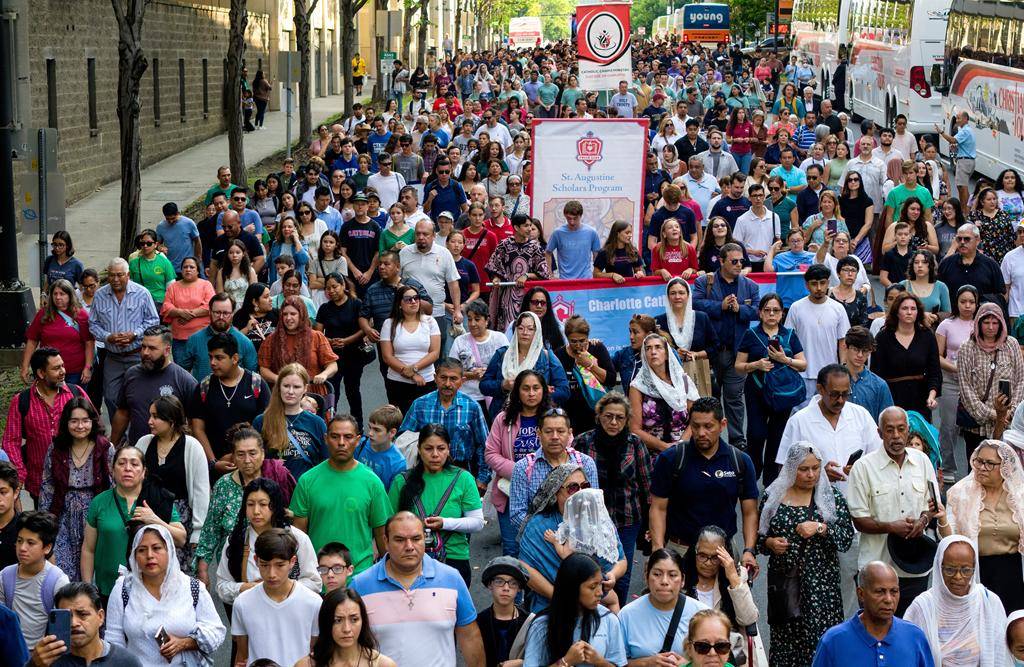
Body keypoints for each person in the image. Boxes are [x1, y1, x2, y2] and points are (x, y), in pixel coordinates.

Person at [756, 442, 855, 666]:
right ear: (791, 469)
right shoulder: (774, 497)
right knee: (786, 646)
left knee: (822, 644)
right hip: (786, 587)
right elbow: (759, 539)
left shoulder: (830, 499)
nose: (811, 475)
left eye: (815, 468)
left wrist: (820, 528)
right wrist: (771, 543)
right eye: (803, 469)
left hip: (822, 589)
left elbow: (846, 538)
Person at [848, 406, 951, 616]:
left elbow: (932, 506)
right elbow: (858, 519)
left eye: (901, 429)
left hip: (915, 566)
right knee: (875, 628)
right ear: (879, 433)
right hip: (876, 565)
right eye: (889, 430)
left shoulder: (922, 461)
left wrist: (923, 520)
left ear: (907, 430)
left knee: (911, 628)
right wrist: (890, 527)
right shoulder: (863, 467)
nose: (896, 436)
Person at [348, 512, 485, 667]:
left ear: (424, 539)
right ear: (385, 541)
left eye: (416, 539)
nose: (409, 547)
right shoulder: (360, 586)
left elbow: (470, 637)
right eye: (400, 540)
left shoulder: (452, 579)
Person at [648, 397, 759, 573]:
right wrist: (658, 549)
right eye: (695, 426)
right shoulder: (671, 459)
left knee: (729, 600)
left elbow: (750, 511)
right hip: (680, 550)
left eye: (708, 426)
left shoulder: (740, 461)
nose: (701, 433)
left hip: (724, 552)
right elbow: (658, 508)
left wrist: (749, 550)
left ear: (722, 425)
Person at [571, 391, 652, 605]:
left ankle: (619, 612)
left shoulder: (635, 444)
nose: (613, 422)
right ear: (599, 416)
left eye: (619, 417)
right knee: (590, 570)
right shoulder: (583, 442)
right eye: (608, 416)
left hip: (626, 518)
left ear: (626, 420)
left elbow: (646, 485)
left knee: (620, 573)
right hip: (592, 520)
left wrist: (650, 522)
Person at [105, 525, 225, 666]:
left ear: (170, 551)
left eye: (157, 548)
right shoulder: (124, 589)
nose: (149, 555)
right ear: (134, 555)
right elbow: (114, 640)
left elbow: (216, 630)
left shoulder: (192, 588)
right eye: (142, 550)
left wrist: (185, 643)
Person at [193, 424, 294, 585]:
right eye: (240, 454)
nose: (247, 460)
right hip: (233, 569)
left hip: (276, 567)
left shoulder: (277, 478)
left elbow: (296, 520)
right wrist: (203, 569)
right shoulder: (223, 486)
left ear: (262, 454)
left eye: (252, 453)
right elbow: (211, 530)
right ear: (232, 456)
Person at [290, 415, 390, 574]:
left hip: (359, 578)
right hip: (319, 576)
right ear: (325, 438)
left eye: (348, 437)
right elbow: (299, 537)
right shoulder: (307, 481)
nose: (341, 443)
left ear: (357, 440)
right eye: (335, 437)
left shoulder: (372, 482)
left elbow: (383, 536)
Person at [389, 424, 483, 585]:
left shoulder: (463, 478)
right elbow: (389, 524)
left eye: (441, 448)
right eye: (428, 448)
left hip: (454, 558)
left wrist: (444, 523)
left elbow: (477, 522)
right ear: (419, 449)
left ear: (449, 449)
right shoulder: (402, 481)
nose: (435, 454)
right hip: (411, 558)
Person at [735, 293, 809, 485]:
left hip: (782, 393)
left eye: (776, 310)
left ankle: (771, 483)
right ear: (760, 313)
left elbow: (803, 364)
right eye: (767, 310)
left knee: (777, 438)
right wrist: (756, 365)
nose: (771, 314)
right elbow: (738, 366)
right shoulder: (751, 334)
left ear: (782, 314)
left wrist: (786, 360)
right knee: (756, 435)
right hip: (756, 391)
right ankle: (753, 473)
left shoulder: (789, 335)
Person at [904, 535, 1011, 665]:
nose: (958, 577)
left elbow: (1000, 656)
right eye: (950, 569)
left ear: (974, 569)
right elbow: (908, 653)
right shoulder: (923, 606)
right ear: (939, 567)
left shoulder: (989, 602)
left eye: (966, 570)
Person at [692, 244, 760, 448]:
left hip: (737, 353)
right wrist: (719, 306)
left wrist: (740, 309)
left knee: (734, 399)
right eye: (734, 261)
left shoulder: (750, 285)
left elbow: (758, 311)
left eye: (742, 261)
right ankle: (709, 442)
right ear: (721, 261)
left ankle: (737, 442)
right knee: (708, 400)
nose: (739, 265)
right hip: (711, 353)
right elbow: (694, 304)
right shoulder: (705, 281)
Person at [38, 399, 113, 581]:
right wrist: (45, 524)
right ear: (66, 422)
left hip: (95, 514)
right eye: (74, 421)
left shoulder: (105, 448)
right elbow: (47, 487)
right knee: (63, 573)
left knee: (92, 570)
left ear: (93, 422)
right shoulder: (56, 448)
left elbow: (113, 485)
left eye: (85, 420)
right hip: (63, 515)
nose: (80, 426)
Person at [946, 440, 1024, 612]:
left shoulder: (1019, 496)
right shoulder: (960, 494)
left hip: (1013, 573)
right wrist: (942, 520)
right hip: (977, 572)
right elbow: (949, 538)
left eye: (989, 464)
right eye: (978, 461)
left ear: (1004, 467)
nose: (981, 467)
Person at [3, 348, 90, 501]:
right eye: (56, 368)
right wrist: (20, 474)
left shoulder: (76, 393)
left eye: (62, 365)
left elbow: (95, 427)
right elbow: (11, 441)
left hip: (78, 483)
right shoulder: (22, 401)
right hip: (40, 484)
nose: (63, 371)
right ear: (41, 373)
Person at [228, 527, 321, 667]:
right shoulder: (242, 603)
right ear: (256, 560)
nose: (272, 573)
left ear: (292, 561)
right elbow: (242, 655)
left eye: (279, 565)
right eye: (265, 565)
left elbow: (315, 653)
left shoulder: (313, 603)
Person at [812, 561, 934, 666]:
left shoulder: (914, 637)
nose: (888, 599)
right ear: (861, 594)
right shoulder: (833, 641)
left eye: (894, 591)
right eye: (880, 592)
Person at [522, 553, 628, 666]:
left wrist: (599, 661)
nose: (600, 593)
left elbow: (620, 664)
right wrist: (566, 661)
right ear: (572, 588)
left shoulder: (608, 619)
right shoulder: (542, 624)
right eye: (592, 587)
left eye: (600, 584)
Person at [88, 258, 160, 416]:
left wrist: (135, 334)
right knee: (111, 397)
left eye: (119, 275)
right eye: (112, 275)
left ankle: (139, 433)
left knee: (141, 396)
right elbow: (93, 324)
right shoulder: (100, 295)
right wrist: (108, 337)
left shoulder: (142, 293)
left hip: (138, 355)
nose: (115, 279)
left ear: (128, 275)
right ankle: (121, 435)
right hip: (113, 357)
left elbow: (154, 320)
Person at [618, 548, 709, 664]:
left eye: (672, 575)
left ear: (683, 580)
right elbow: (616, 663)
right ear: (646, 577)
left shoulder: (702, 614)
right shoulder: (627, 615)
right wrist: (647, 663)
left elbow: (716, 660)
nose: (664, 581)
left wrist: (687, 665)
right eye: (657, 574)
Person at [956, 303, 1024, 456]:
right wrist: (992, 414)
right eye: (986, 322)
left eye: (995, 322)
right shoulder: (967, 348)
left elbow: (1020, 380)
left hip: (1007, 425)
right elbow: (965, 388)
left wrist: (1009, 413)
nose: (991, 327)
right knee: (975, 468)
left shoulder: (1011, 344)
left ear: (1001, 323)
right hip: (976, 425)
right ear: (978, 323)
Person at [481, 311, 570, 422]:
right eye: (521, 328)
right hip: (503, 418)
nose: (525, 332)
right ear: (515, 330)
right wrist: (503, 385)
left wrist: (540, 393)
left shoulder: (547, 356)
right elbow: (483, 385)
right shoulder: (502, 354)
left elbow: (564, 391)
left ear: (537, 332)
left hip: (537, 419)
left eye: (530, 329)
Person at [0, 512, 71, 646]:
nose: (22, 548)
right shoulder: (5, 576)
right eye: (19, 541)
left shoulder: (58, 581)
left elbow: (62, 634)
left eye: (30, 543)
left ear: (47, 547)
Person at [872, 292, 942, 419]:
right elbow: (876, 373)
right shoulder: (883, 337)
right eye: (904, 308)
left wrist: (931, 396)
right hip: (892, 398)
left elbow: (935, 372)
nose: (909, 312)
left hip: (920, 398)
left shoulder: (927, 336)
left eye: (913, 309)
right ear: (897, 312)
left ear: (918, 312)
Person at [680, 525, 759, 637]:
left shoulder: (737, 575)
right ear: (694, 553)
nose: (708, 563)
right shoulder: (678, 576)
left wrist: (732, 577)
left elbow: (748, 619)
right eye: (702, 556)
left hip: (725, 645)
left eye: (715, 557)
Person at [629, 332, 700, 455]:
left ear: (667, 354)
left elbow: (696, 418)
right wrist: (665, 447)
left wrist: (681, 443)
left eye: (658, 347)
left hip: (685, 450)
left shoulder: (683, 381)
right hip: (652, 453)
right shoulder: (637, 387)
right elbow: (635, 429)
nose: (653, 352)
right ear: (644, 355)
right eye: (648, 348)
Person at [253, 363, 328, 478]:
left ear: (305, 389)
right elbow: (256, 460)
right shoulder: (262, 421)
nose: (291, 391)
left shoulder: (317, 423)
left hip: (306, 489)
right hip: (275, 488)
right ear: (279, 387)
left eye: (296, 387)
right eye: (286, 386)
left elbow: (325, 461)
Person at [315, 273, 371, 426]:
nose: (331, 291)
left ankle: (358, 425)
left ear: (343, 286)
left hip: (353, 354)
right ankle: (330, 423)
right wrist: (328, 341)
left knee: (353, 390)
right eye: (328, 288)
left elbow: (364, 328)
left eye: (335, 286)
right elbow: (318, 332)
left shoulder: (356, 304)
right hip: (332, 356)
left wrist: (346, 341)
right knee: (333, 392)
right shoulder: (325, 308)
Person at [379, 284, 441, 414]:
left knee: (426, 424)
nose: (413, 301)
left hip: (426, 381)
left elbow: (434, 353)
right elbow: (387, 356)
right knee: (401, 424)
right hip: (397, 382)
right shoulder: (389, 324)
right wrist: (413, 375)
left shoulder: (430, 321)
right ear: (399, 304)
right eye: (408, 299)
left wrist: (414, 369)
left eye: (416, 298)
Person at [258, 296, 338, 395]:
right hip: (283, 395)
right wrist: (278, 379)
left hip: (312, 395)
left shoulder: (316, 337)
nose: (288, 318)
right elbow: (263, 369)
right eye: (285, 314)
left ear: (302, 315)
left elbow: (332, 365)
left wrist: (324, 375)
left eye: (293, 314)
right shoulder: (272, 339)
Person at [299, 588, 396, 667]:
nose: (346, 629)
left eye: (354, 619)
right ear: (326, 622)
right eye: (338, 620)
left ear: (363, 621)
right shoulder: (306, 665)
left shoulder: (383, 664)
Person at [485, 215, 551, 331]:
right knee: (506, 328)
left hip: (528, 296)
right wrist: (496, 278)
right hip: (507, 296)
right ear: (516, 227)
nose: (530, 229)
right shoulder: (504, 245)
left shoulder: (535, 247)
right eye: (526, 226)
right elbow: (494, 266)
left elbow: (544, 274)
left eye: (530, 225)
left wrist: (526, 276)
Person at [23, 280, 94, 387]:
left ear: (70, 295)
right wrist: (25, 366)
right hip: (48, 372)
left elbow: (89, 343)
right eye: (55, 294)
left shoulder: (81, 315)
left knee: (72, 402)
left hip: (74, 373)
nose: (58, 297)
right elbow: (32, 341)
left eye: (62, 294)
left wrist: (88, 367)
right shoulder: (43, 314)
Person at [938, 224, 1006, 311]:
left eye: (966, 239)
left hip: (982, 319)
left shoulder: (990, 265)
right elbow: (939, 293)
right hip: (953, 318)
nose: (962, 242)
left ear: (977, 240)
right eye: (959, 239)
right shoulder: (946, 264)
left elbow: (1001, 295)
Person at [477, 556, 529, 667]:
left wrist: (522, 663)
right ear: (490, 584)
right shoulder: (479, 622)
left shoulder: (529, 622)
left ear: (519, 588)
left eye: (513, 583)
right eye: (499, 581)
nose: (506, 588)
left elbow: (539, 659)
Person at [160, 258, 215, 360]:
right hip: (179, 339)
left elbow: (210, 306)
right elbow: (166, 307)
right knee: (181, 372)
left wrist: (187, 315)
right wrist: (180, 312)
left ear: (198, 270)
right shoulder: (173, 287)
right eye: (185, 267)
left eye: (192, 267)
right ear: (181, 270)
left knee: (202, 371)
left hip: (203, 337)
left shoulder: (206, 285)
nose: (188, 269)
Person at [354, 405, 408, 491]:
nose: (370, 433)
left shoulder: (398, 463)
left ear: (392, 433)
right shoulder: (361, 444)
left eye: (376, 430)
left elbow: (393, 496)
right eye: (370, 427)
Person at [546, 200, 601, 280]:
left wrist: (596, 275)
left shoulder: (591, 232)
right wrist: (550, 274)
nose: (572, 222)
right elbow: (548, 252)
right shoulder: (558, 233)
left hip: (586, 280)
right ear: (565, 216)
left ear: (581, 216)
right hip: (565, 281)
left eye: (575, 218)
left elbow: (596, 255)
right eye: (569, 218)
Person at [935, 111, 976, 205]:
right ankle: (965, 208)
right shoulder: (966, 130)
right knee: (961, 187)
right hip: (966, 160)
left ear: (965, 119)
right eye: (956, 118)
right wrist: (956, 147)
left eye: (959, 118)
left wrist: (941, 132)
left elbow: (952, 140)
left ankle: (965, 210)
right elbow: (961, 144)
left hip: (965, 161)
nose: (956, 120)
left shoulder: (965, 131)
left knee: (962, 187)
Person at [129, 230, 176, 310]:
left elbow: (171, 287)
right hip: (139, 303)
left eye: (149, 243)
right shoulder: (133, 263)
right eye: (142, 243)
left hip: (159, 303)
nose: (145, 246)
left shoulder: (164, 262)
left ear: (156, 244)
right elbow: (130, 286)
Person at [233, 283, 277, 354]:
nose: (271, 299)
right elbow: (233, 341)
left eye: (270, 296)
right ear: (255, 302)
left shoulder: (276, 314)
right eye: (266, 297)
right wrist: (246, 329)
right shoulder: (240, 316)